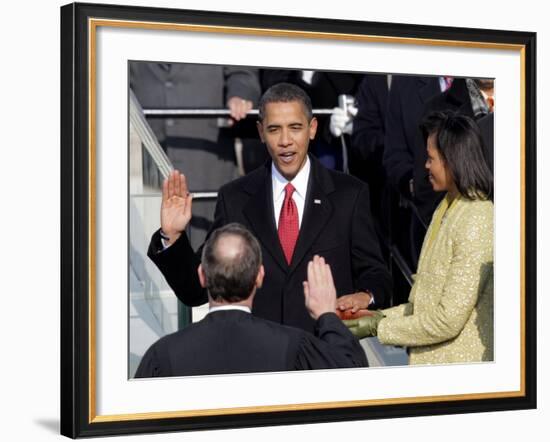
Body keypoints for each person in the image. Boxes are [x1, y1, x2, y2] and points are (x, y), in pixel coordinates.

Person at [148, 82, 392, 334]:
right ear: (261, 132)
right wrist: (173, 237)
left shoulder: (349, 194)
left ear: (312, 128)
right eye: (274, 129)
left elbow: (377, 274)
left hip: (326, 354)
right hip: (260, 359)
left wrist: (366, 296)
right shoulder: (235, 198)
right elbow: (196, 290)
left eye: (295, 128)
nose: (285, 140)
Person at [344, 111, 494, 365]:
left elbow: (447, 320)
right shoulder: (447, 207)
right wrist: (370, 318)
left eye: (430, 158)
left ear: (452, 161)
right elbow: (423, 308)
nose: (425, 166)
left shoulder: (476, 217)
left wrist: (373, 328)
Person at [136, 224, 368, 377]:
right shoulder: (294, 347)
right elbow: (352, 376)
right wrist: (326, 316)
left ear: (202, 275)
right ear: (260, 276)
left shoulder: (163, 355)